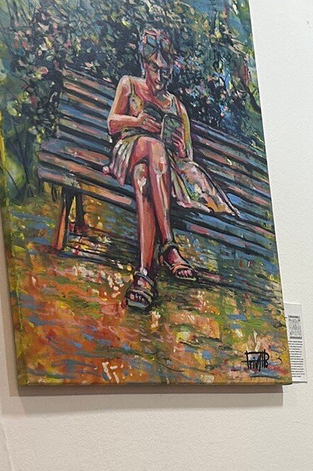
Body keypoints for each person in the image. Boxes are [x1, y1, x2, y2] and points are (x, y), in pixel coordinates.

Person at [107, 28, 236, 311]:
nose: (160, 76)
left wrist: (179, 148)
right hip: (128, 151)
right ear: (145, 64)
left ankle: (144, 276)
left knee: (143, 179)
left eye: (165, 71)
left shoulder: (176, 105)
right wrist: (137, 122)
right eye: (155, 69)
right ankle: (169, 245)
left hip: (157, 170)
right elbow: (112, 123)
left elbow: (186, 155)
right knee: (152, 147)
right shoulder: (129, 85)